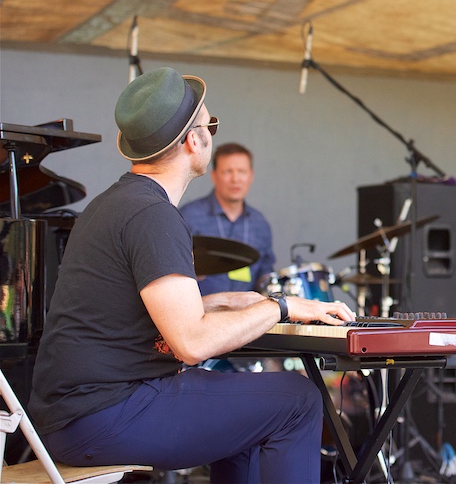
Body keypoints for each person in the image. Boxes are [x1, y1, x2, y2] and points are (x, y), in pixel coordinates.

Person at [29, 67, 355, 483]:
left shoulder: (113, 203)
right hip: (106, 413)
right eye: (210, 124)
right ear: (193, 140)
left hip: (70, 416)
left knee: (249, 414)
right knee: (299, 398)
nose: (211, 132)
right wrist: (281, 306)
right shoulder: (154, 216)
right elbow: (192, 343)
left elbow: (133, 313)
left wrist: (225, 301)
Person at [181, 142, 276, 296]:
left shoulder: (260, 223)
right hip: (201, 312)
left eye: (242, 171)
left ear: (251, 176)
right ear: (214, 176)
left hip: (247, 314)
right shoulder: (189, 216)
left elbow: (265, 273)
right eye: (227, 171)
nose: (235, 179)